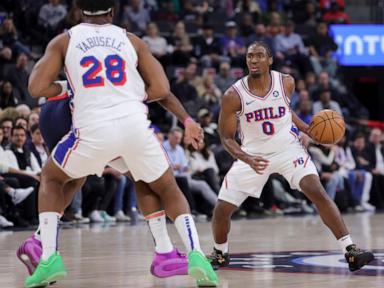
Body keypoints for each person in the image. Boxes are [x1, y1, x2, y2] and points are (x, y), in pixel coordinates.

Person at [21, 1, 218, 287]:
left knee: (52, 178)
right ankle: (197, 255)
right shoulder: (131, 40)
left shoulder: (65, 39)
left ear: (77, 13)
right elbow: (162, 89)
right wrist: (130, 92)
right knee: (164, 186)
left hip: (91, 127)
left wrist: (67, 86)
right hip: (135, 126)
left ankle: (48, 256)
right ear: (112, 12)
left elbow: (37, 88)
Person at [208, 41, 374, 272]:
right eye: (249, 56)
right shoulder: (233, 95)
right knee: (221, 210)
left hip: (288, 149)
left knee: (317, 191)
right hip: (254, 155)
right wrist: (246, 158)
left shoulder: (286, 82)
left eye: (259, 55)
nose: (253, 60)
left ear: (269, 60)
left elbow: (285, 109)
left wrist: (306, 128)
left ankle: (350, 251)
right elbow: (226, 138)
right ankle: (220, 254)